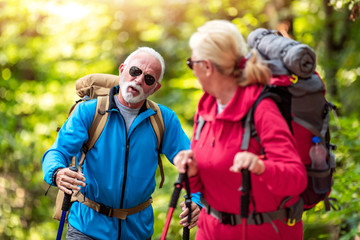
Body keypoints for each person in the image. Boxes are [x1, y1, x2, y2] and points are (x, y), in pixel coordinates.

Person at [42, 47, 200, 240]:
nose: (139, 80)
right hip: (86, 227)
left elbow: (193, 165)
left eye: (149, 79)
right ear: (122, 69)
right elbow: (57, 151)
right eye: (135, 71)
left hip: (137, 232)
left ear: (155, 88)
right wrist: (57, 172)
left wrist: (198, 200)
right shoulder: (88, 112)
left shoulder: (164, 120)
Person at [173, 20, 308, 240]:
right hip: (211, 231)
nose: (193, 69)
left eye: (192, 63)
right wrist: (193, 171)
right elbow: (208, 185)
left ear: (207, 67)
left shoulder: (261, 109)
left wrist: (261, 166)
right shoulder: (205, 110)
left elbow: (296, 178)